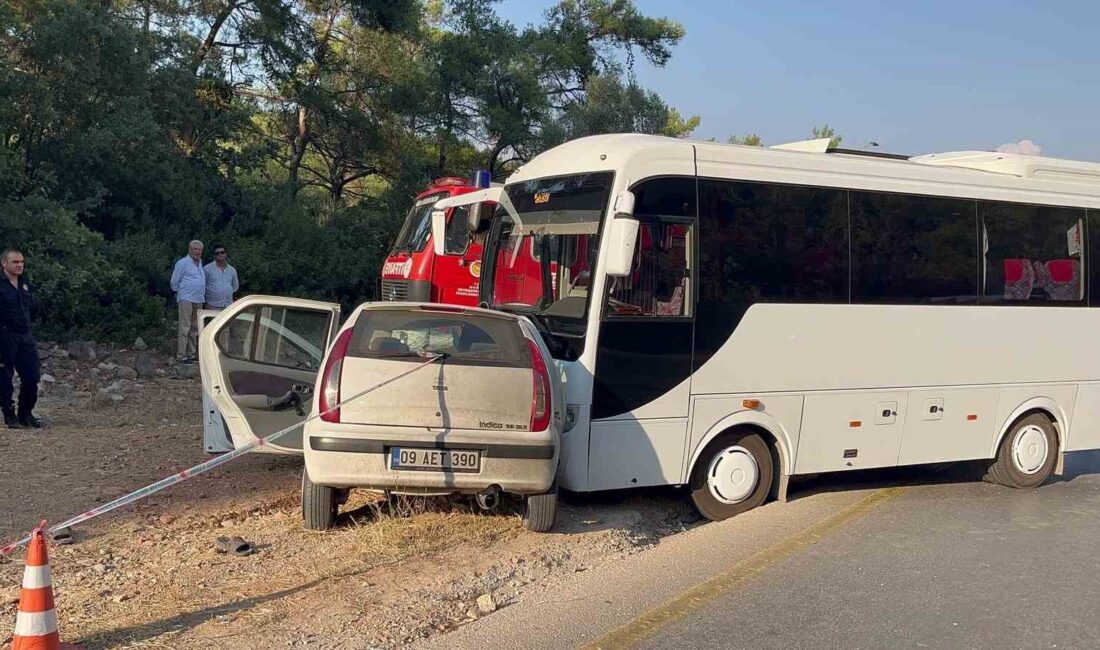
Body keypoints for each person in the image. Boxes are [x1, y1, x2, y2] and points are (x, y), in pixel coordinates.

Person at [0, 249, 42, 428]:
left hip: (25, 335)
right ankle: (9, 416)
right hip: (5, 335)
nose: (19, 265)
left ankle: (26, 413)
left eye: (21, 262)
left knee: (32, 376)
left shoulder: (24, 282)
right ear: (4, 264)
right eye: (15, 262)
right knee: (4, 376)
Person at [170, 240, 205, 364]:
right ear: (190, 249)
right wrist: (181, 293)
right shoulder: (182, 263)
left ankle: (191, 353)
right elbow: (174, 281)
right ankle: (181, 355)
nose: (197, 252)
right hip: (186, 298)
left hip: (199, 298)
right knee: (185, 326)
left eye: (199, 250)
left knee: (195, 327)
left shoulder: (200, 263)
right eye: (195, 249)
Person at [203, 244, 239, 312]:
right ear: (214, 255)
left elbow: (235, 287)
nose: (220, 254)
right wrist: (205, 303)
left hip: (229, 306)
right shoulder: (207, 269)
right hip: (212, 306)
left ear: (226, 253)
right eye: (217, 253)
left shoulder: (232, 270)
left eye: (222, 252)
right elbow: (202, 287)